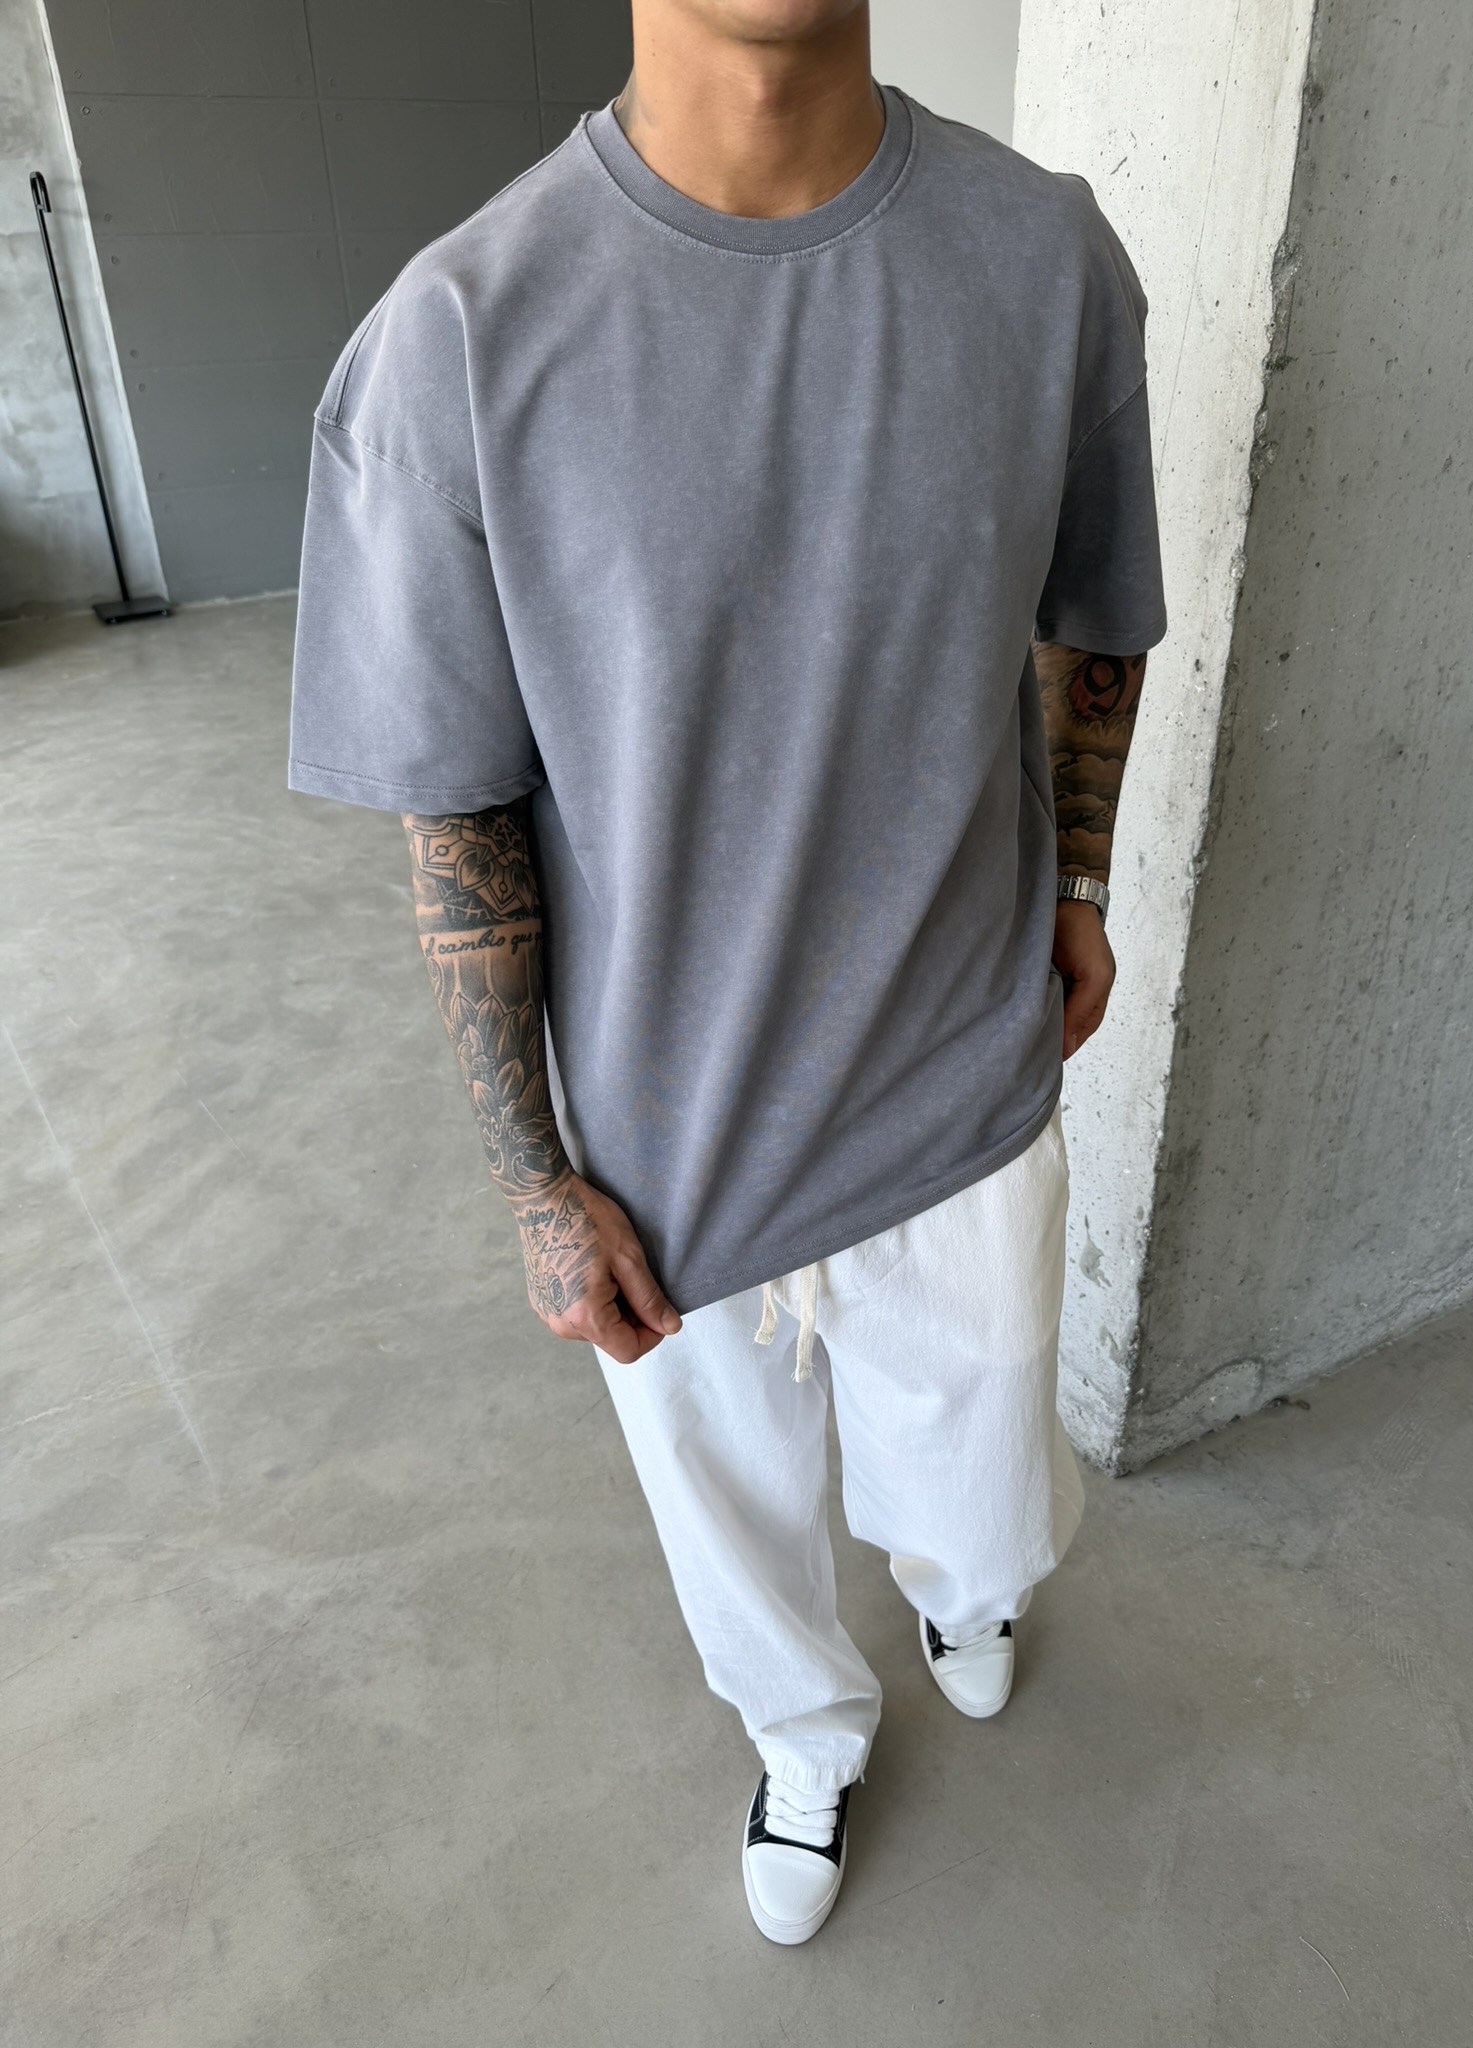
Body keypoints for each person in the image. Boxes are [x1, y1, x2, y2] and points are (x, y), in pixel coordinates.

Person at [288, 0, 1165, 1947]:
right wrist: (533, 1173)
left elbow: (1096, 611)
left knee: (988, 1460)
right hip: (668, 1122)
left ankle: (959, 1587)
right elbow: (456, 806)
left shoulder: (1044, 261)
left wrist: (1082, 869)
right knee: (734, 1511)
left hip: (961, 1057)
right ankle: (804, 1729)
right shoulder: (457, 335)